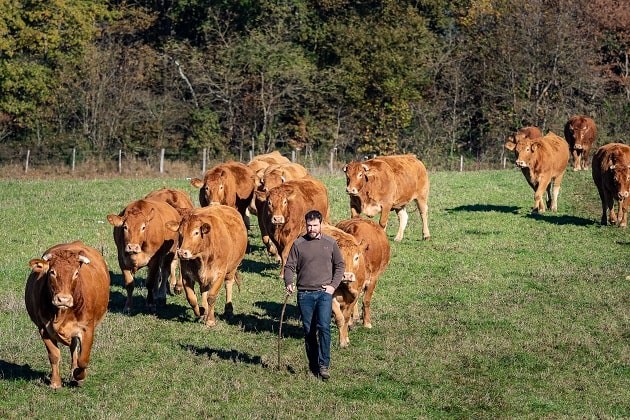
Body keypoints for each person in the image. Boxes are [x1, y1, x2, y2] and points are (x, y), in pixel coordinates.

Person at [283, 209, 345, 380]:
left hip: (324, 293)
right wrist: (289, 282)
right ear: (306, 225)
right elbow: (289, 267)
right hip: (304, 294)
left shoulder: (330, 243)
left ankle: (324, 365)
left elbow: (340, 266)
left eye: (315, 225)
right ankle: (313, 365)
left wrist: (333, 286)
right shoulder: (298, 244)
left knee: (324, 327)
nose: (312, 229)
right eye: (309, 226)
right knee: (309, 330)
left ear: (321, 224)